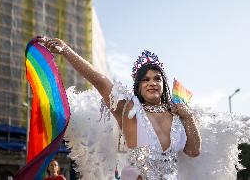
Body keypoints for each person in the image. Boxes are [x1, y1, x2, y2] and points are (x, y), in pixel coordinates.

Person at [38, 37, 201, 179]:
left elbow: (193, 151)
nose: (152, 83)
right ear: (139, 87)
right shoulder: (130, 111)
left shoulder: (178, 116)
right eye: (145, 80)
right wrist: (66, 50)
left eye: (157, 78)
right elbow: (100, 82)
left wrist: (189, 117)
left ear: (163, 84)